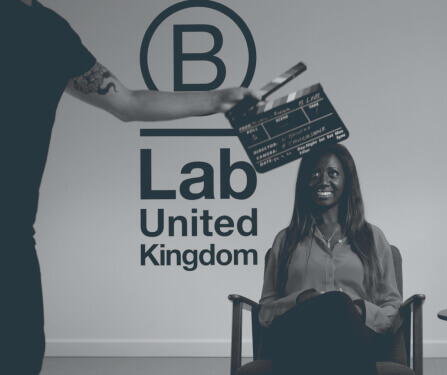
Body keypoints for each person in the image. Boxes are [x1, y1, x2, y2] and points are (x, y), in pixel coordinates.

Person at [1, 1, 256, 374]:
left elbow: (128, 102)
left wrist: (216, 99)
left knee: (20, 356)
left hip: (12, 245)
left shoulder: (49, 31)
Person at [256, 144, 402, 375]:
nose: (323, 180)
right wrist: (300, 300)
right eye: (315, 173)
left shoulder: (373, 237)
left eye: (332, 173)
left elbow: (392, 305)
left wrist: (359, 311)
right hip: (297, 336)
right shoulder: (286, 240)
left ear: (347, 181)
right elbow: (265, 312)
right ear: (305, 182)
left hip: (358, 335)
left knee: (339, 306)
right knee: (335, 305)